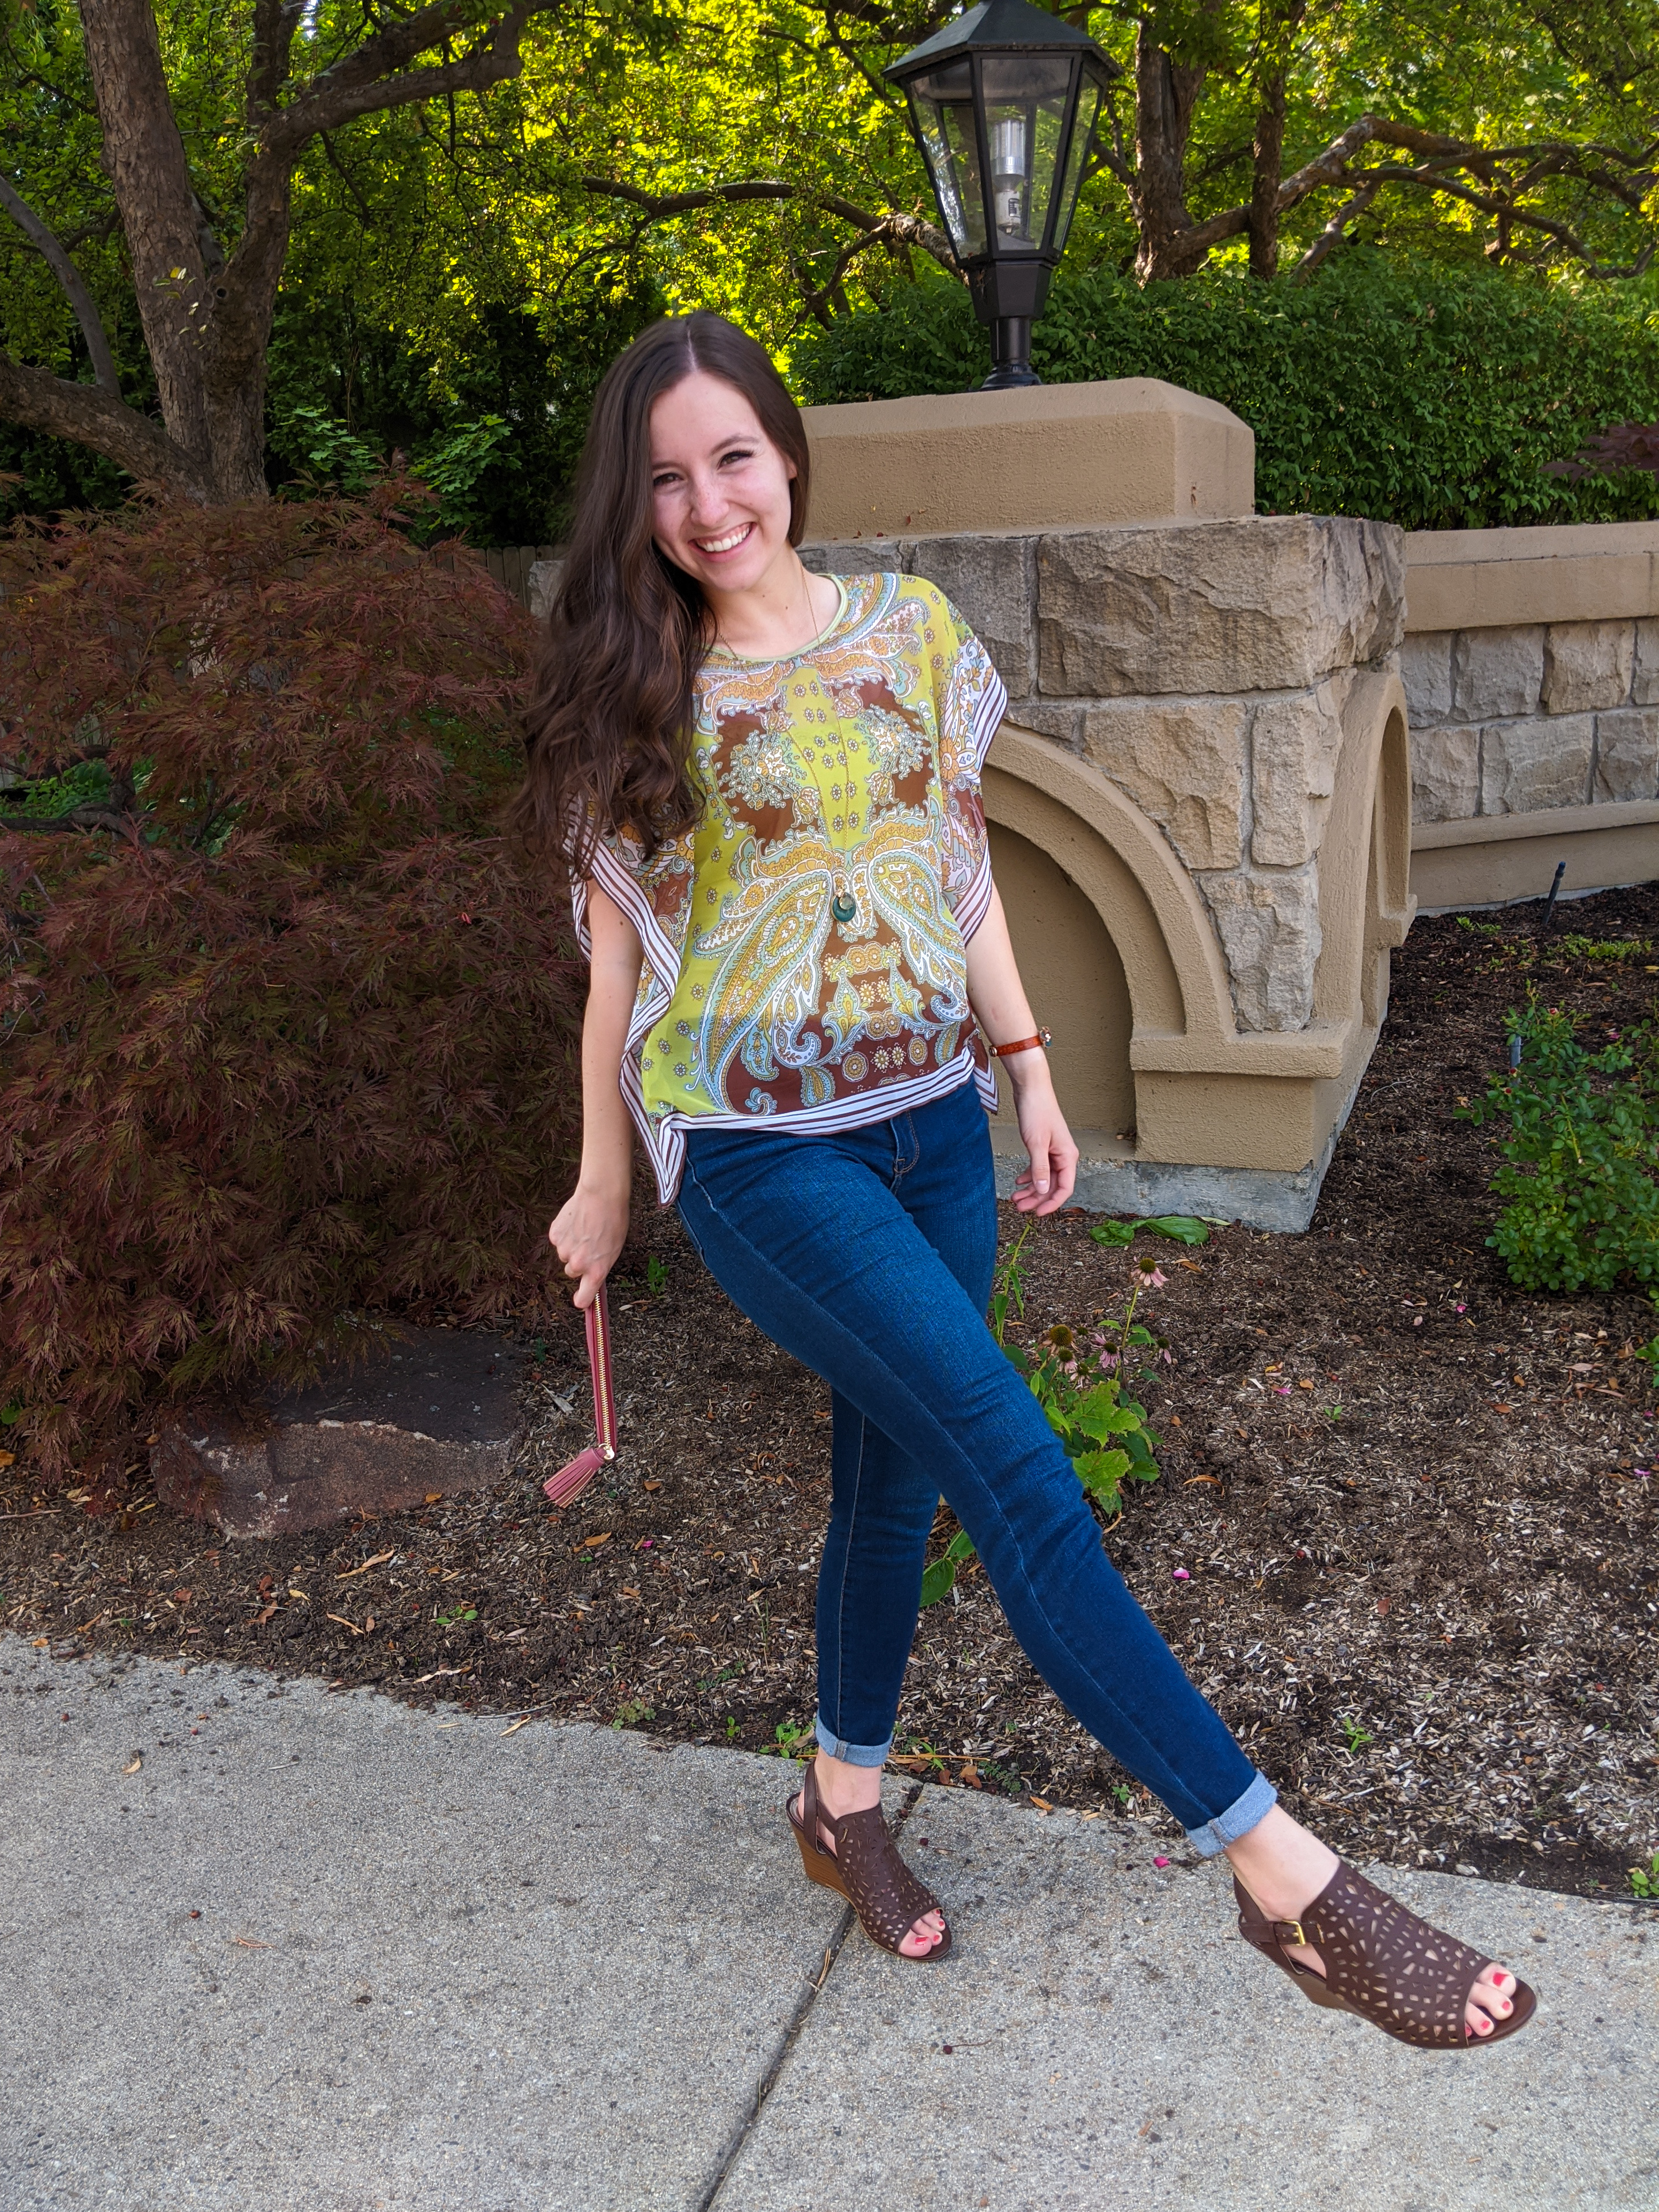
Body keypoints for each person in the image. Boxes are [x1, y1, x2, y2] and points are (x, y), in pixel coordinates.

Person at [517, 310, 1531, 2048]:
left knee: (894, 1483)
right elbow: (615, 970)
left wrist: (1031, 1064)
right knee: (1010, 1461)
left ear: (784, 450)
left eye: (733, 457)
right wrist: (603, 1184)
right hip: (761, 1155)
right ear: (636, 502)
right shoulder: (638, 689)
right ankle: (1280, 1874)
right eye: (666, 478)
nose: (707, 504)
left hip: (932, 1127)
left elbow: (960, 868)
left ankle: (836, 1807)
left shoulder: (913, 629)